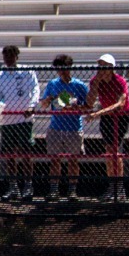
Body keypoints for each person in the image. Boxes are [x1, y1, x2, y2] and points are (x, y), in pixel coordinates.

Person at [0, 45, 40, 201]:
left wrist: (32, 106)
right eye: (6, 56)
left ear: (17, 56)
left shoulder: (27, 71)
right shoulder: (0, 75)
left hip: (24, 118)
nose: (8, 59)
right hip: (8, 119)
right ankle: (14, 187)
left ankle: (28, 186)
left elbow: (35, 89)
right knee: (10, 154)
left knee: (26, 153)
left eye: (11, 55)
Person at [39, 55, 89, 201]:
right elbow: (44, 103)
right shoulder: (53, 84)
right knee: (55, 159)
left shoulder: (79, 85)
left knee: (73, 160)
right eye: (58, 68)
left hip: (73, 126)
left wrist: (74, 106)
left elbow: (88, 105)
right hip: (56, 126)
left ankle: (72, 190)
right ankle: (54, 190)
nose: (61, 71)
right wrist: (48, 100)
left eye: (63, 68)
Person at [87, 54, 129, 202]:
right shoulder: (96, 81)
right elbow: (90, 101)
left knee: (115, 150)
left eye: (105, 66)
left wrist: (98, 113)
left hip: (120, 116)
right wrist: (96, 84)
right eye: (100, 66)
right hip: (106, 116)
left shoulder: (119, 81)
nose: (102, 70)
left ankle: (119, 188)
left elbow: (120, 103)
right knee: (108, 150)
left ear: (111, 68)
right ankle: (113, 186)